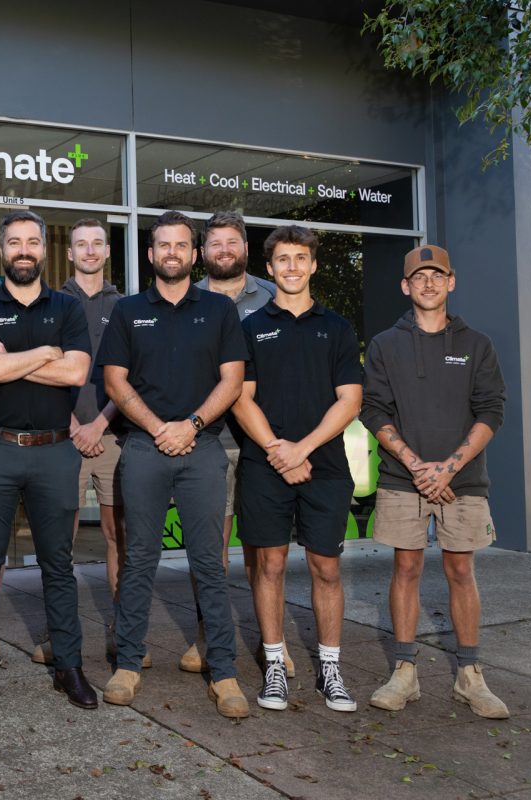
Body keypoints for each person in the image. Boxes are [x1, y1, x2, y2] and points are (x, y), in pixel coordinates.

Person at [98, 211, 249, 717]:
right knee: (139, 557)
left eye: (181, 245)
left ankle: (224, 671)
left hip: (203, 449)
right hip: (142, 449)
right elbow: (116, 383)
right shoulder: (128, 311)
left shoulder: (220, 310)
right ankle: (127, 664)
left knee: (209, 561)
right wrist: (160, 427)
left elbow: (231, 381)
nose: (171, 253)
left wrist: (191, 425)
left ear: (195, 254)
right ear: (151, 254)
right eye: (163, 245)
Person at [362, 244, 510, 719]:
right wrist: (417, 466)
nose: (428, 283)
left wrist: (448, 467)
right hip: (403, 479)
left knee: (460, 571)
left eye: (437, 275)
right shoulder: (385, 344)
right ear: (405, 286)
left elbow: (492, 409)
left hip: (462, 480)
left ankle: (470, 676)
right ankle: (404, 672)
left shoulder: (477, 344)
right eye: (418, 277)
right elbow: (374, 410)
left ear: (451, 282)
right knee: (405, 568)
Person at [0, 210, 97, 714]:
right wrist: (44, 351)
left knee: (59, 565)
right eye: (14, 242)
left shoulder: (67, 306)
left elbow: (76, 373)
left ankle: (69, 665)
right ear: (2, 252)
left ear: (44, 249)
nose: (23, 250)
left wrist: (12, 360)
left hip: (55, 452)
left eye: (32, 242)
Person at [231, 225, 362, 712]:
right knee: (268, 565)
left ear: (313, 266)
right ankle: (274, 667)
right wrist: (277, 451)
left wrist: (301, 449)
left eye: (300, 258)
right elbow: (240, 399)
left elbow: (350, 400)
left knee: (325, 568)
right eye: (282, 259)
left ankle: (330, 669)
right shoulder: (249, 328)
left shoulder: (338, 328)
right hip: (265, 466)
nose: (291, 267)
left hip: (324, 466)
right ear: (269, 267)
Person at [181, 211, 290, 676]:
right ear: (203, 252)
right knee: (211, 550)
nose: (224, 250)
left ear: (245, 248)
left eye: (232, 243)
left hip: (266, 443)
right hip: (214, 440)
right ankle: (209, 635)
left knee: (264, 551)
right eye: (215, 244)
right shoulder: (188, 299)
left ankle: (274, 641)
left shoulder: (272, 298)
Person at [31, 218, 129, 666]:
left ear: (107, 252)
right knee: (58, 542)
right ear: (68, 253)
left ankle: (122, 632)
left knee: (119, 537)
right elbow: (43, 370)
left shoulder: (127, 306)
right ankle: (58, 634)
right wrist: (73, 425)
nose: (89, 251)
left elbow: (130, 376)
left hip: (112, 435)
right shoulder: (49, 303)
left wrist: (100, 423)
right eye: (80, 244)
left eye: (97, 244)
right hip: (61, 437)